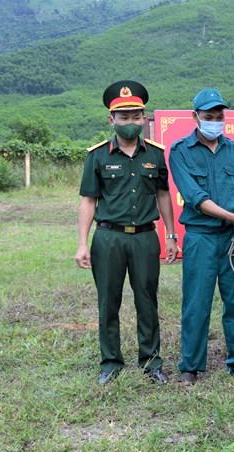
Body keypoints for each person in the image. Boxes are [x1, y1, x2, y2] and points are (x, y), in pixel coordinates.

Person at [75, 80, 177, 385]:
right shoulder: (97, 156)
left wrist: (171, 235)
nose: (130, 122)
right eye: (124, 117)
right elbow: (88, 200)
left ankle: (151, 362)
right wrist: (82, 243)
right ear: (112, 120)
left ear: (144, 118)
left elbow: (163, 196)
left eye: (136, 116)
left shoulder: (156, 155)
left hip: (146, 237)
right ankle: (110, 362)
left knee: (147, 299)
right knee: (108, 300)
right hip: (108, 238)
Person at [169, 88, 234, 383]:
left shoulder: (233, 149)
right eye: (209, 117)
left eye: (219, 116)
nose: (215, 121)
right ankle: (190, 366)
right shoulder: (180, 151)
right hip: (201, 237)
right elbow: (195, 197)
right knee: (196, 301)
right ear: (195, 117)